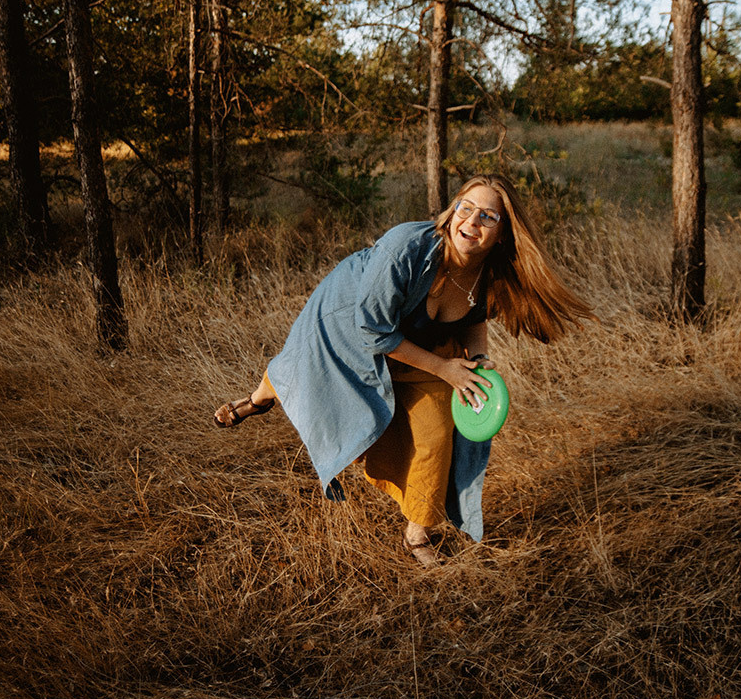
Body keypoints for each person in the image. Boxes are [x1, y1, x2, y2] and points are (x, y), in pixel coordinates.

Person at [214, 174, 593, 565]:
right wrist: (446, 369)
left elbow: (475, 316)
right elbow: (373, 332)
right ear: (451, 212)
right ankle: (257, 400)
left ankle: (417, 532)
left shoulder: (490, 267)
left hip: (421, 342)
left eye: (487, 217)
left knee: (437, 432)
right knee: (304, 370)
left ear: (503, 232)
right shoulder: (406, 247)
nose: (471, 222)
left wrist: (476, 361)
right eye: (465, 208)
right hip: (353, 323)